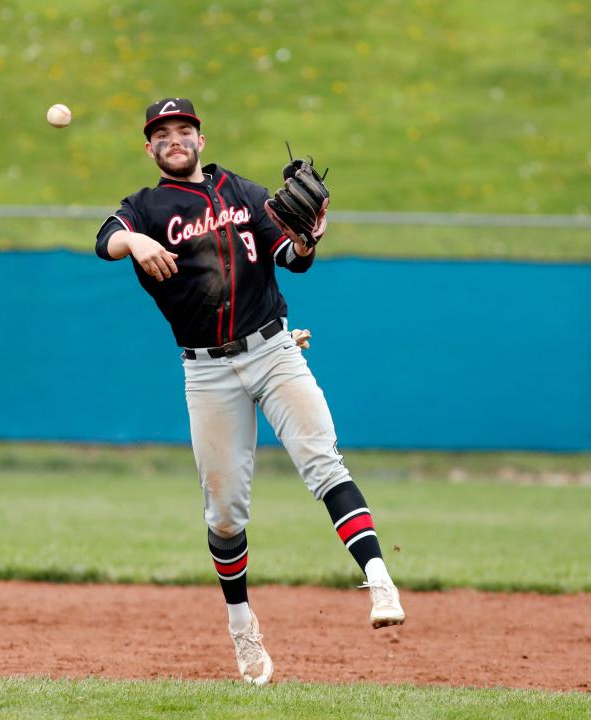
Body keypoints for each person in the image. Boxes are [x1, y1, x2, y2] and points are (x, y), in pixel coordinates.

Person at [95, 97, 405, 685]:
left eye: (184, 129)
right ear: (150, 148)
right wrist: (135, 242)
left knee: (322, 461)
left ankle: (379, 580)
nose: (175, 139)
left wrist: (309, 239)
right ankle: (242, 629)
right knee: (226, 512)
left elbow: (291, 256)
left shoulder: (242, 192)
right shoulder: (144, 207)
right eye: (163, 134)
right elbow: (105, 237)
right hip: (207, 372)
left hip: (273, 350)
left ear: (201, 139)